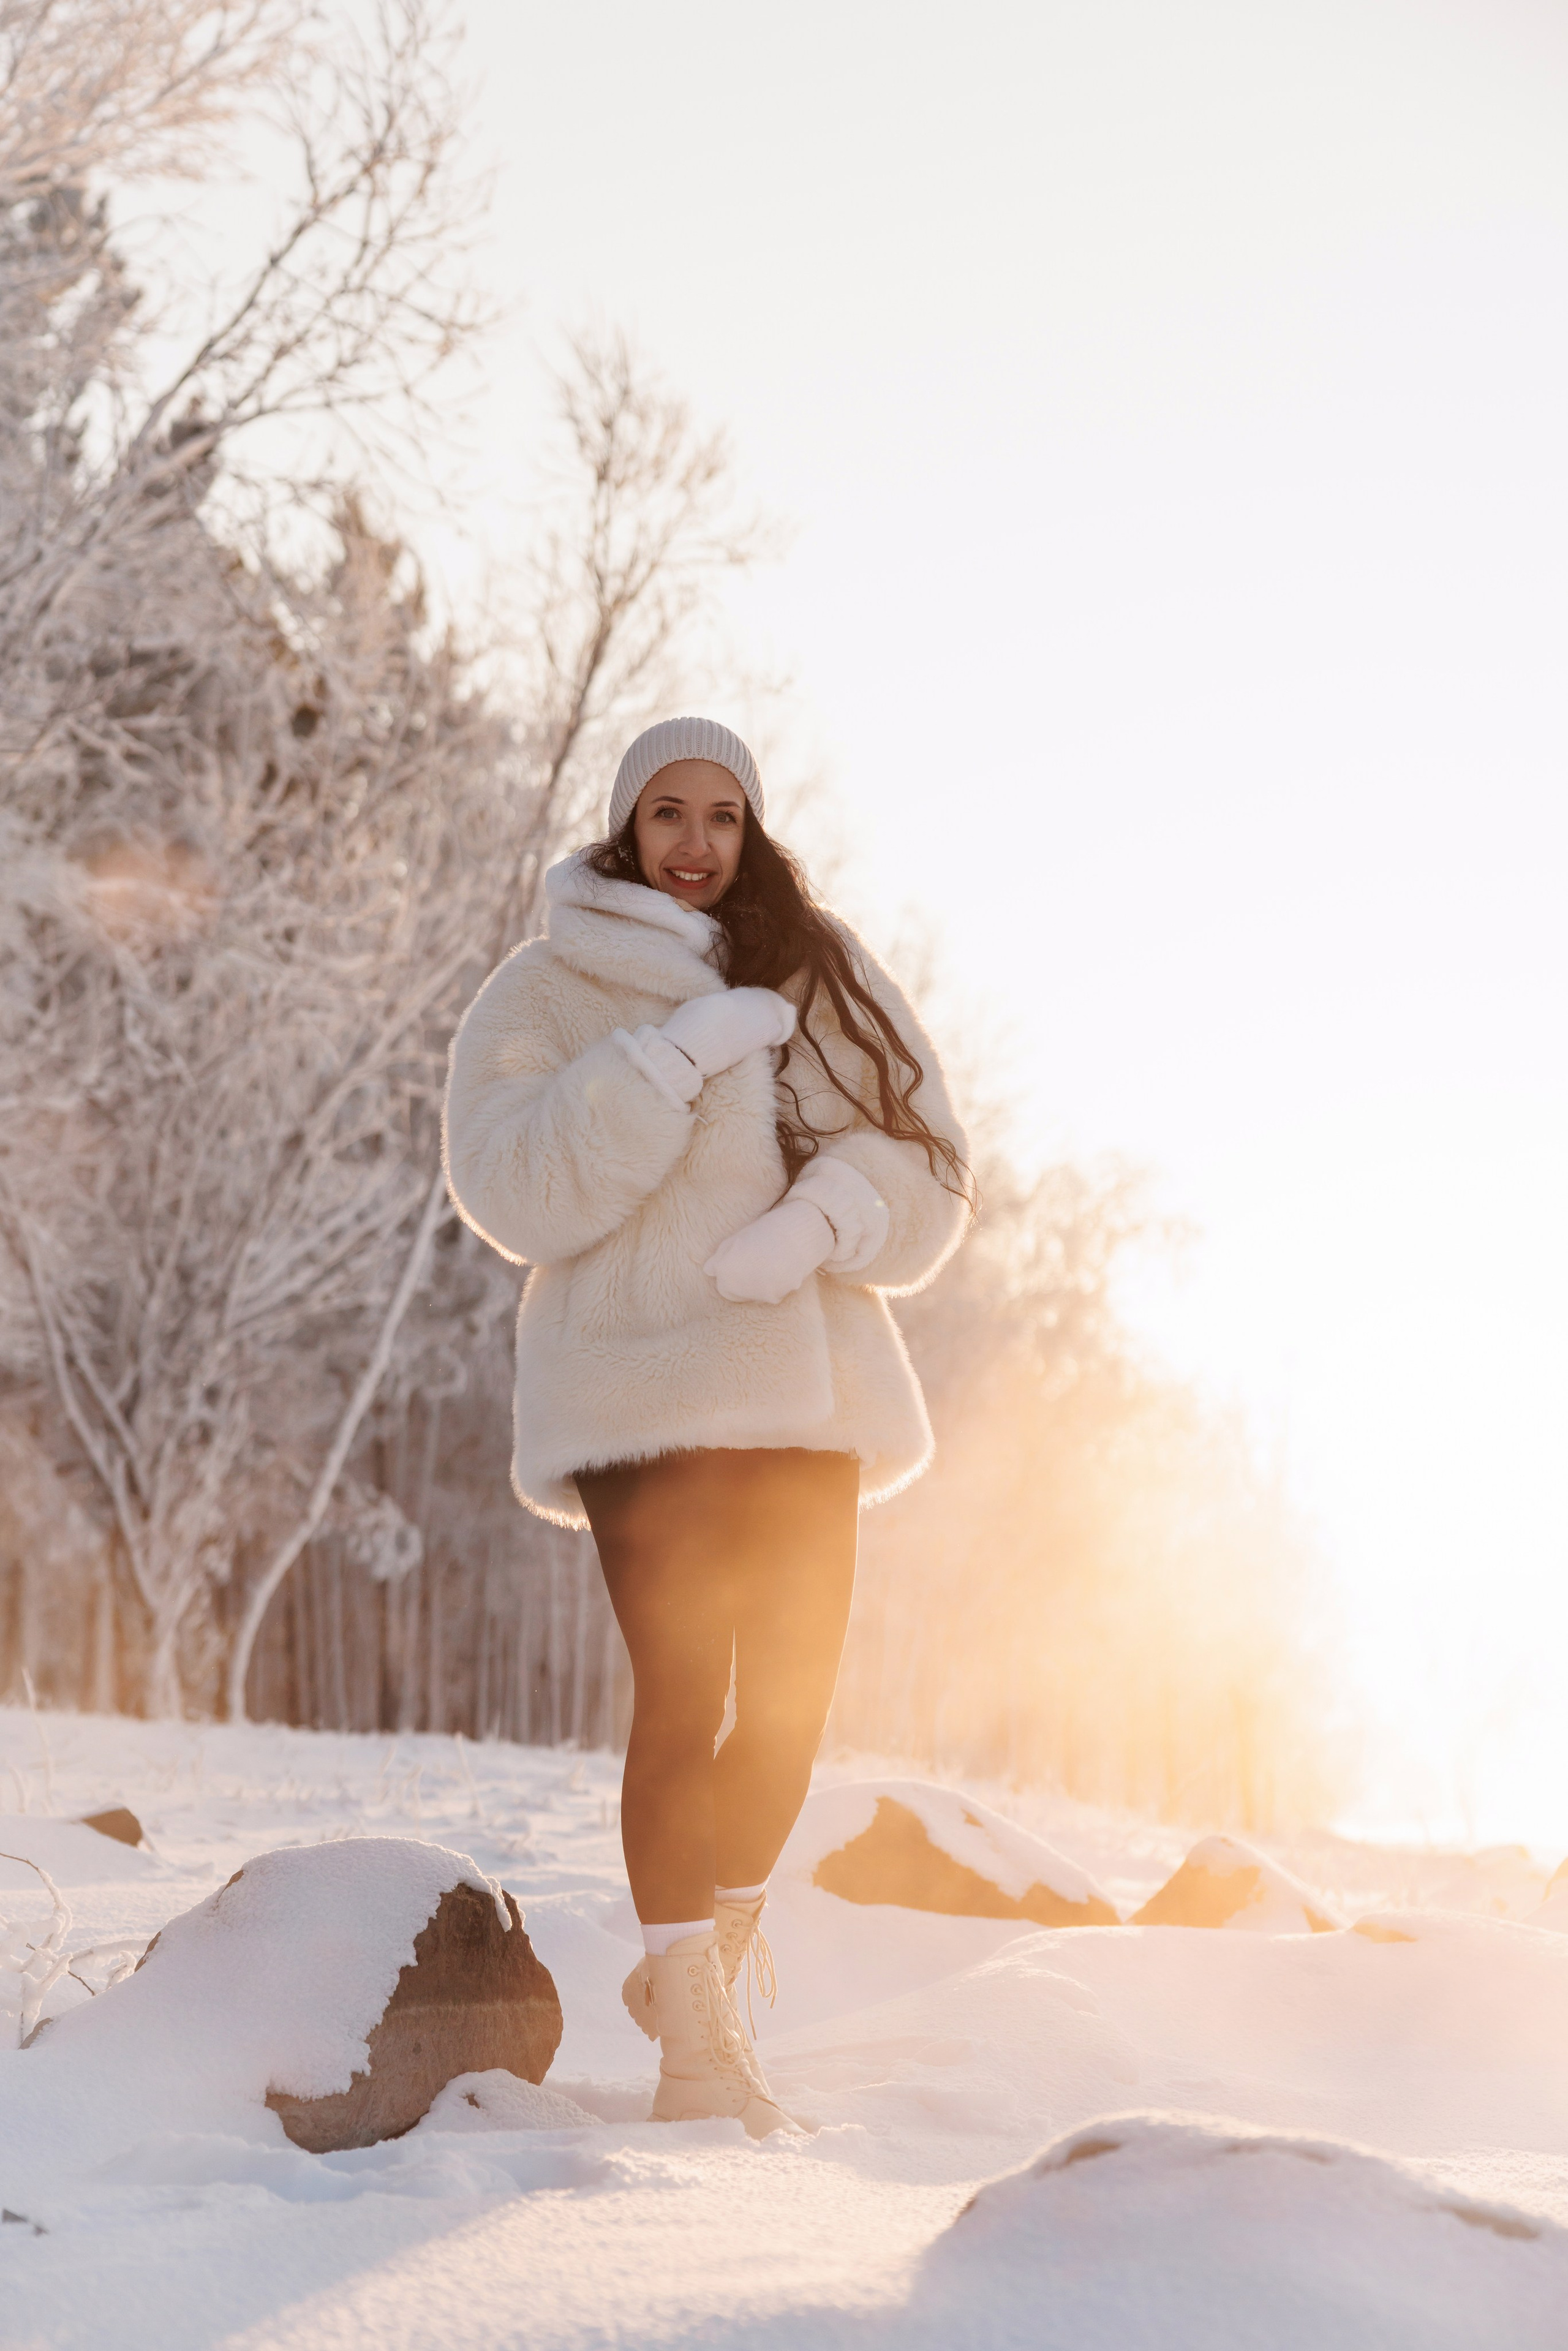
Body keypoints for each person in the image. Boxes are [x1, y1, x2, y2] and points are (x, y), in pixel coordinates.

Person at [443, 716, 971, 2135]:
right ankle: (691, 2039)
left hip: (804, 1406)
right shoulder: (545, 987)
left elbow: (929, 1157)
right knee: (685, 1695)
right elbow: (511, 1188)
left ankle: (702, 1970)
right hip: (636, 1392)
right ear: (624, 826)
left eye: (721, 815)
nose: (693, 842)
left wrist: (819, 1217)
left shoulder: (819, 963)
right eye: (666, 812)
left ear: (751, 829)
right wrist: (667, 1058)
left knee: (789, 1713)